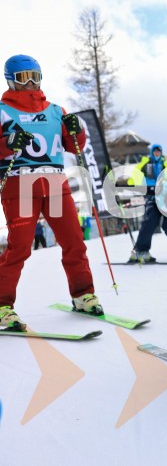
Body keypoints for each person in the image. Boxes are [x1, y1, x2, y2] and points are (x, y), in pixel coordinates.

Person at [0, 54, 103, 330]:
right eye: (23, 78)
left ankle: (83, 294)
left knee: (74, 241)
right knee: (20, 247)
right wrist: (7, 142)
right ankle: (2, 305)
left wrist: (76, 130)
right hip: (21, 184)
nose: (30, 83)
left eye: (34, 76)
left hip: (55, 182)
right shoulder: (2, 110)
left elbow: (74, 145)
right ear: (11, 80)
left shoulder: (56, 110)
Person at [127, 143, 167, 263]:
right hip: (152, 199)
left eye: (159, 152)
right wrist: (131, 184)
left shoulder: (165, 164)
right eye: (155, 151)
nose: (157, 154)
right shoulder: (145, 163)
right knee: (150, 223)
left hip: (166, 199)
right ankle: (141, 251)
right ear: (152, 152)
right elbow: (135, 176)